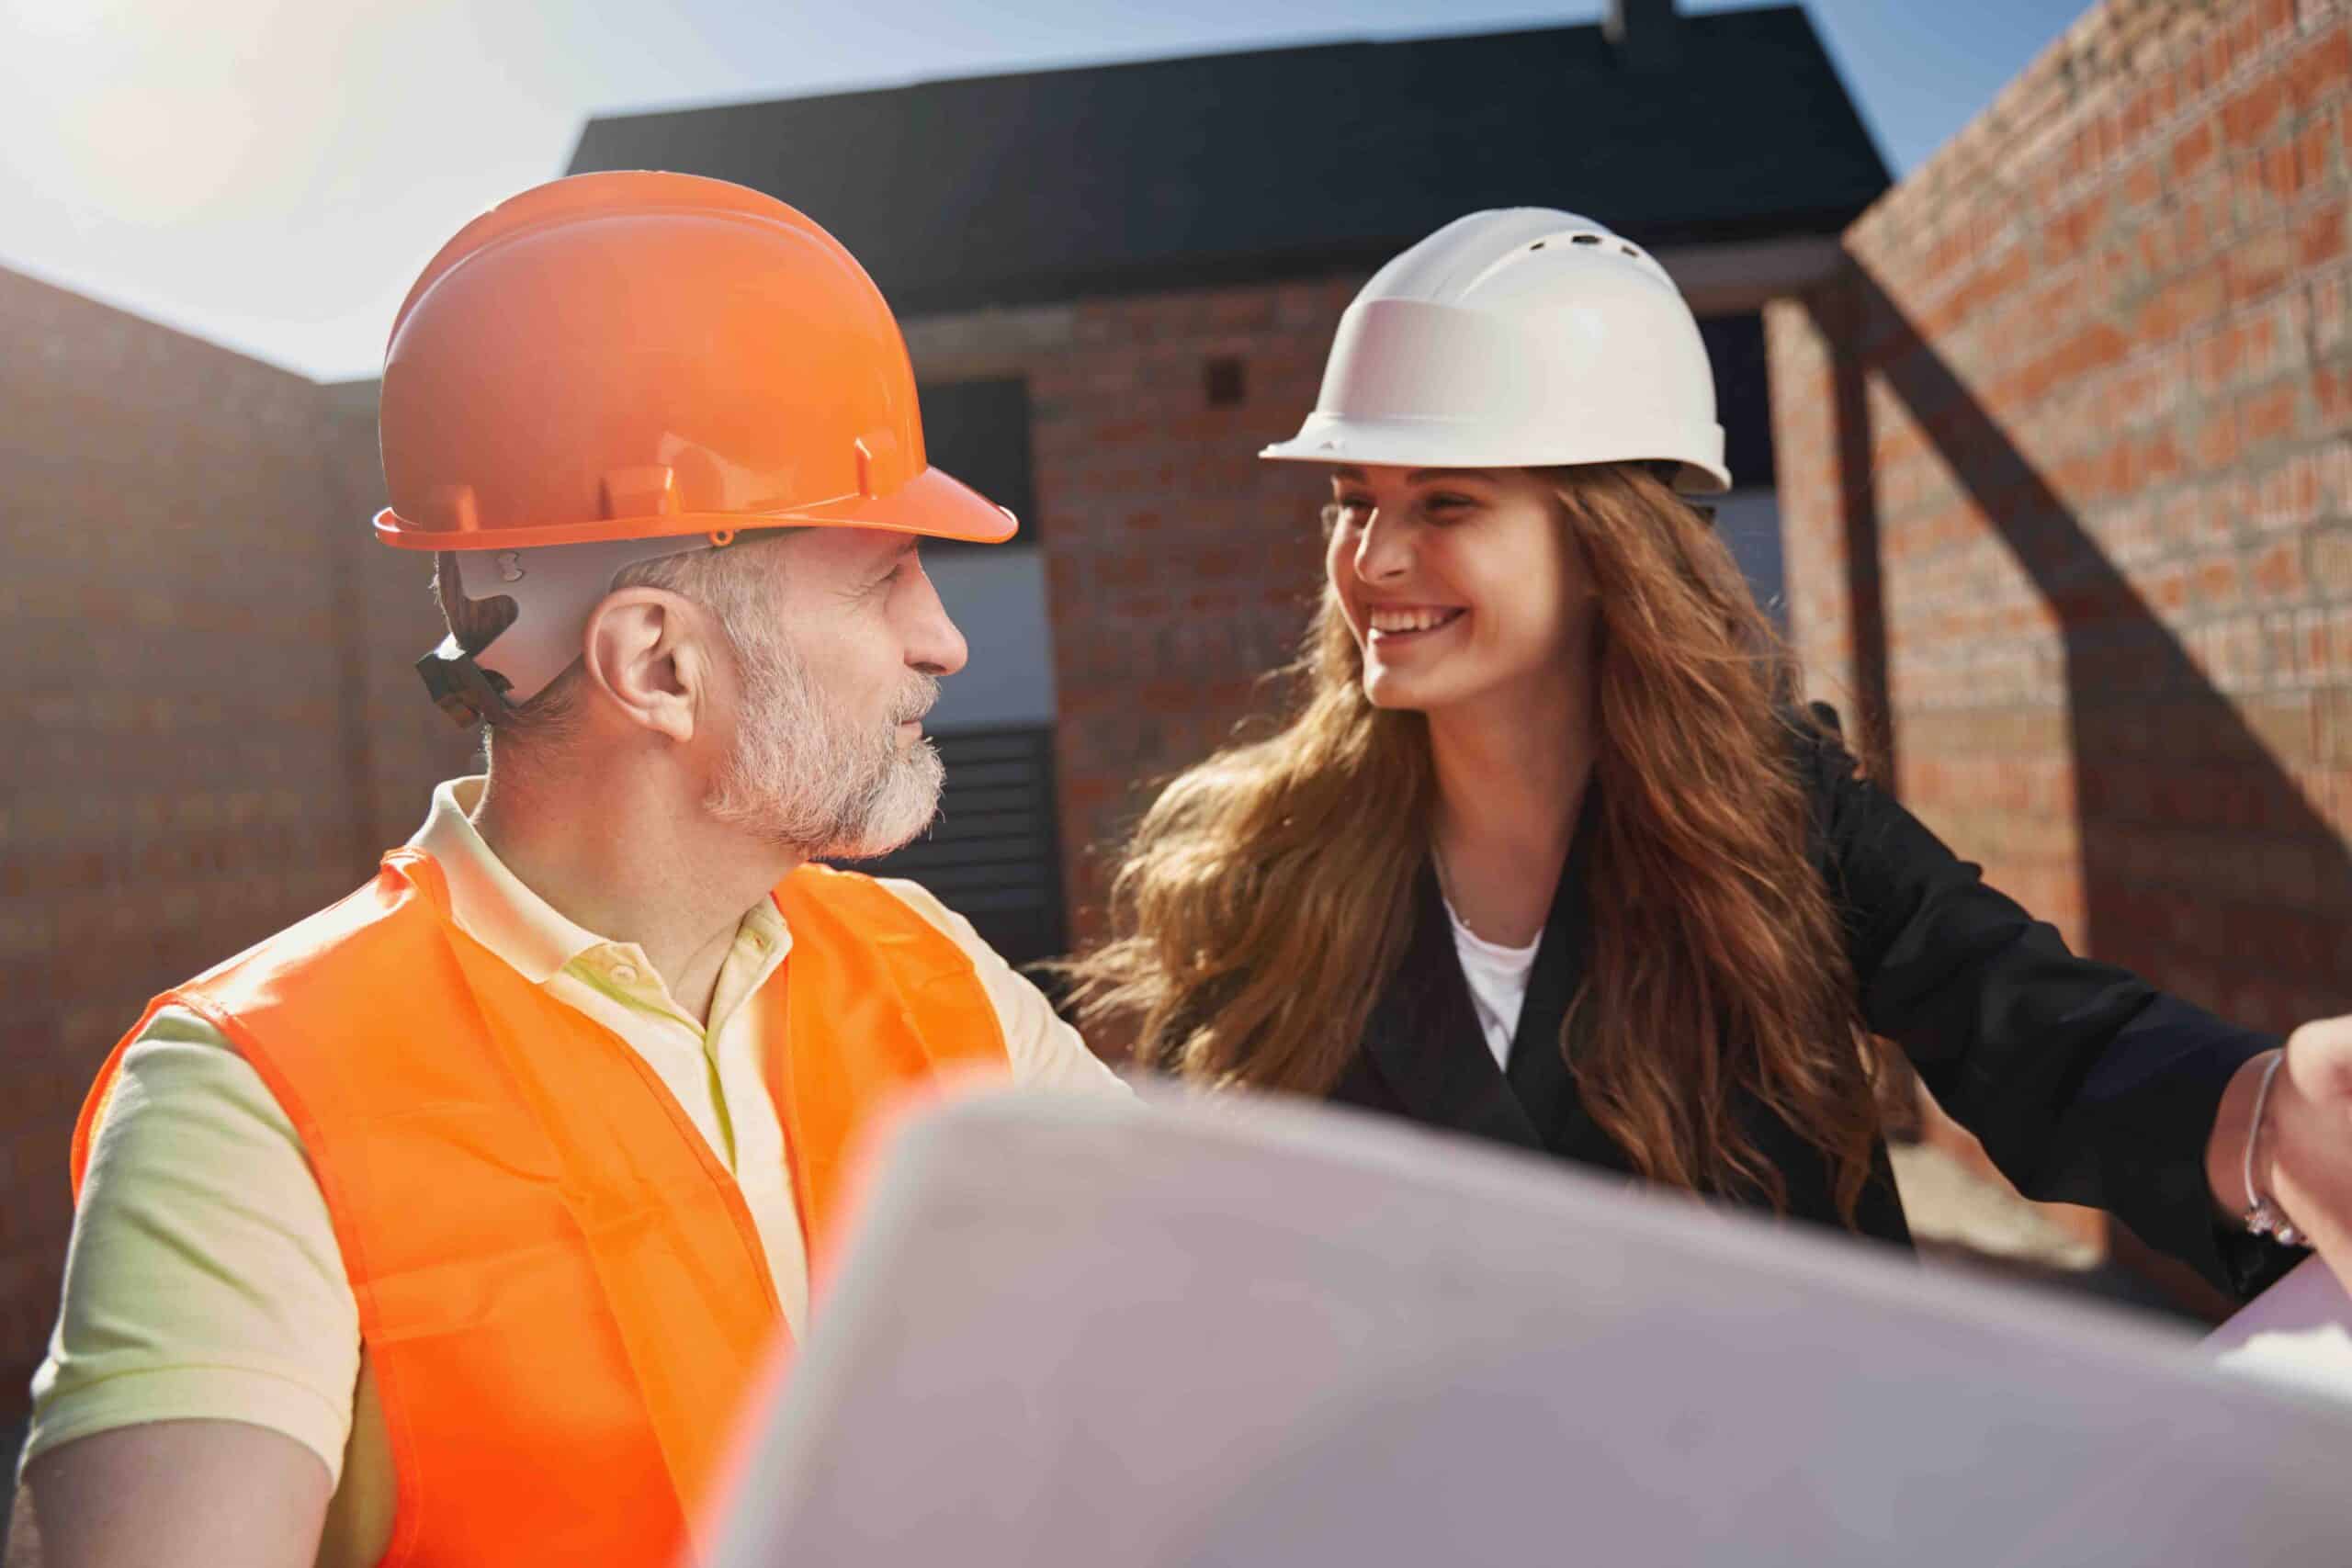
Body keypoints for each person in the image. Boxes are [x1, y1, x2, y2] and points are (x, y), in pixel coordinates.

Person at [10, 172, 1124, 1568]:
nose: (945, 639)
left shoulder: (931, 972)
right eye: (887, 574)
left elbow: (1211, 1367)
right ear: (659, 662)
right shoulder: (252, 1101)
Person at [1066, 208, 2352, 1300]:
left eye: (1445, 503)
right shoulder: (1265, 865)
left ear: (1607, 541)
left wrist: (2264, 1113)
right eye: (1354, 505)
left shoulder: (1777, 816)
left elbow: (2037, 1034)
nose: (1373, 560)